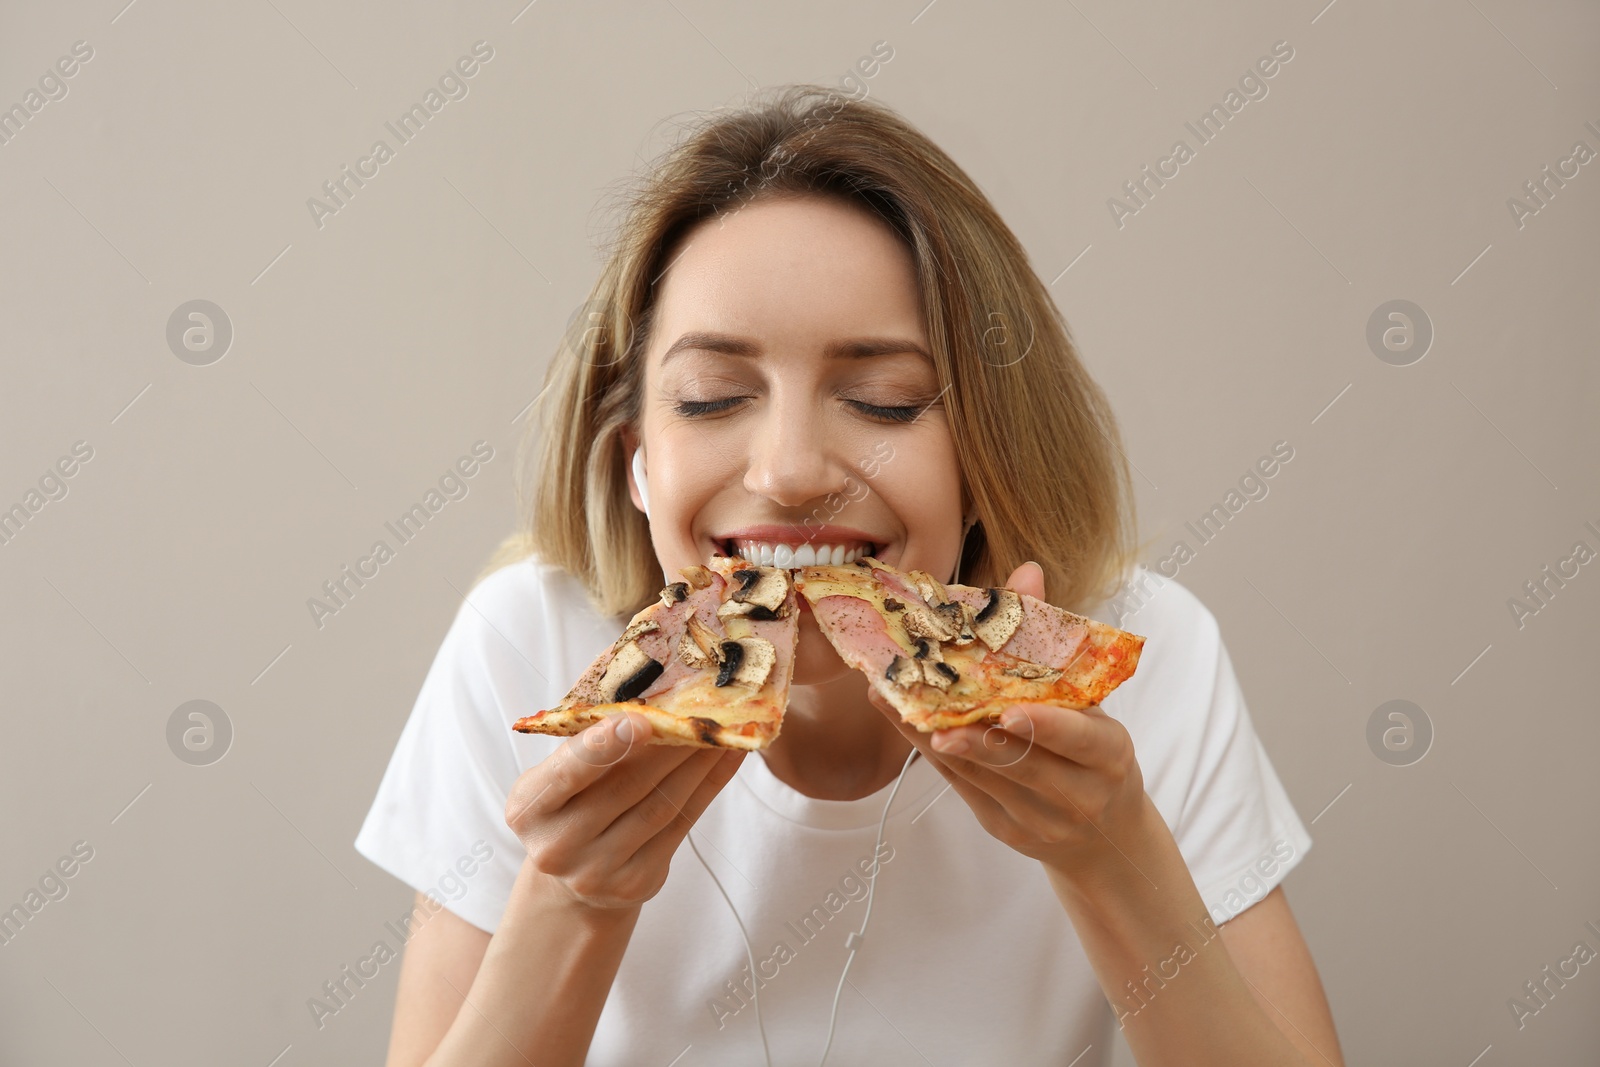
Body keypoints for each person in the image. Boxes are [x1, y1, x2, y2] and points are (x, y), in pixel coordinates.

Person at [354, 84, 1344, 1067]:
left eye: (881, 400)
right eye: (710, 398)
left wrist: (1108, 853)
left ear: (986, 457)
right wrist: (577, 895)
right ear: (636, 464)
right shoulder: (528, 646)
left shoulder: (1138, 662)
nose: (788, 470)